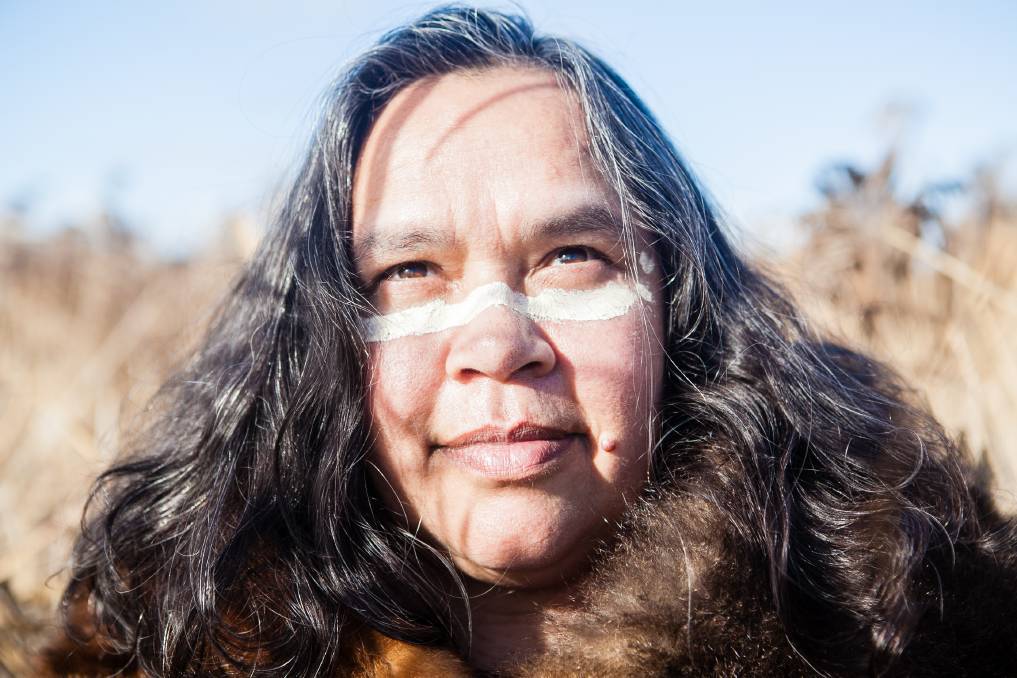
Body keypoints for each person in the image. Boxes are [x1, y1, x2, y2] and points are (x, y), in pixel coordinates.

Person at [43, 5, 1017, 676]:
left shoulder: (918, 626)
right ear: (326, 348)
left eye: (571, 257)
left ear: (673, 309)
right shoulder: (158, 644)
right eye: (410, 272)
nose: (499, 344)